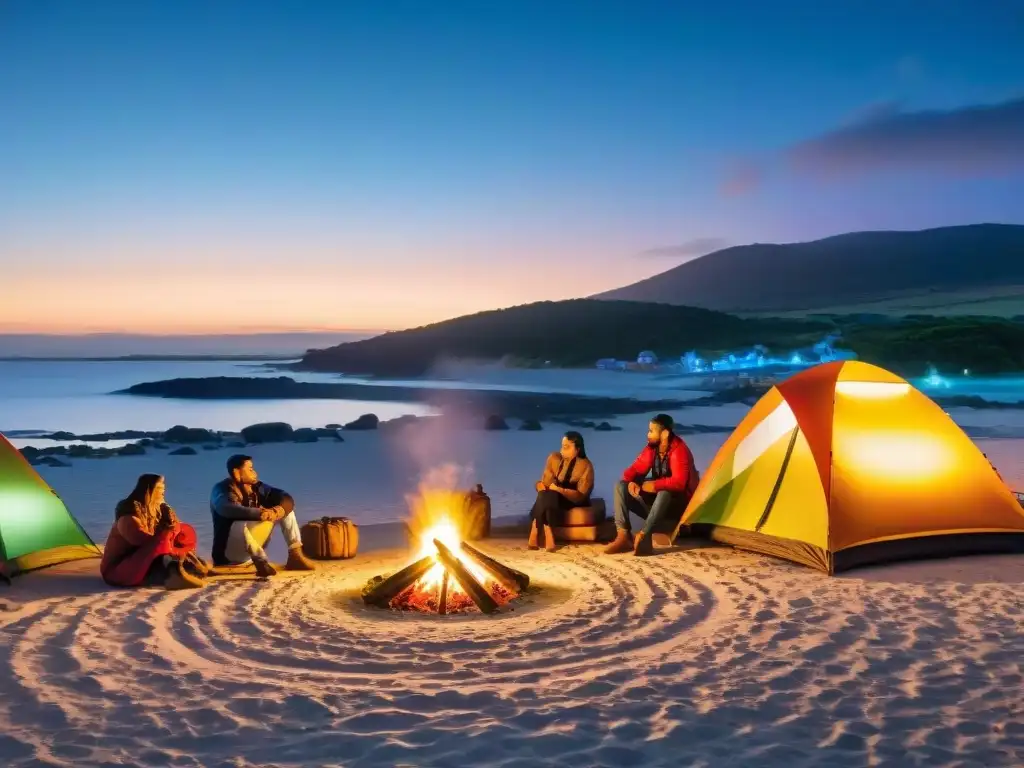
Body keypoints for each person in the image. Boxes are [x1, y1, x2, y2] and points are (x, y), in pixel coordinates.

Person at [605, 414, 699, 556]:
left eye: (651, 431)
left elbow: (679, 483)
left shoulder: (679, 450)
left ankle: (645, 537)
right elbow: (635, 469)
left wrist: (654, 485)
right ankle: (623, 536)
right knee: (621, 486)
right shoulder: (652, 448)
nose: (648, 435)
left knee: (664, 492)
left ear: (665, 433)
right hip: (655, 510)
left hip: (677, 510)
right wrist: (633, 481)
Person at [210, 454, 317, 577]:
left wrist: (276, 511)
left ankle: (296, 555)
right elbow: (227, 509)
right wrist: (260, 513)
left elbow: (285, 498)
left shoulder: (256, 487)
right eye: (250, 469)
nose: (254, 472)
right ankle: (261, 561)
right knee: (238, 522)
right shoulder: (221, 489)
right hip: (229, 555)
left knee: (285, 510)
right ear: (236, 472)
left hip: (248, 554)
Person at [101, 474, 210, 589]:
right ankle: (175, 575)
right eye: (159, 488)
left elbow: (175, 532)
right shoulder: (129, 515)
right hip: (120, 569)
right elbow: (142, 541)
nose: (163, 492)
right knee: (167, 556)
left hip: (145, 560)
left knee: (187, 557)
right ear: (148, 491)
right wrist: (165, 530)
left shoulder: (157, 509)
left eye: (163, 488)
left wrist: (171, 521)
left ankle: (191, 569)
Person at [529, 431, 595, 552]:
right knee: (547, 494)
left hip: (573, 499)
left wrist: (559, 489)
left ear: (578, 449)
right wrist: (540, 485)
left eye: (566, 447)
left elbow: (580, 496)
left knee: (549, 494)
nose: (562, 450)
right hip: (553, 496)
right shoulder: (555, 458)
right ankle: (548, 530)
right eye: (562, 446)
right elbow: (546, 483)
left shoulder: (586, 465)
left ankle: (535, 528)